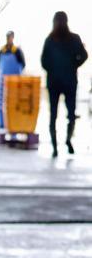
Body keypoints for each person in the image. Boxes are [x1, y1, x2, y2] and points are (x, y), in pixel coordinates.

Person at [41, 11, 88, 157]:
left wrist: (53, 69)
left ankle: (55, 147)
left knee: (53, 114)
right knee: (71, 113)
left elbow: (43, 61)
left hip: (54, 82)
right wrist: (74, 64)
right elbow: (84, 55)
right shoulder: (74, 38)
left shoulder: (50, 40)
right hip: (70, 81)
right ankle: (68, 140)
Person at [0, 31, 25, 129]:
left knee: (14, 104)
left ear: (13, 37)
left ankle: (15, 124)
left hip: (14, 82)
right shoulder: (2, 51)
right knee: (1, 102)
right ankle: (2, 124)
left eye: (10, 37)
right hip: (2, 82)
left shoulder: (17, 51)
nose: (9, 39)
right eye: (7, 37)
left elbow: (23, 64)